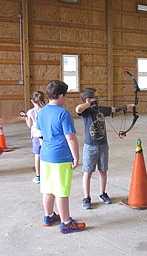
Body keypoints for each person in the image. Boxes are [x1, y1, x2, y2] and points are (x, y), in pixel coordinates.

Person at [37, 80, 85, 234]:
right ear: (61, 96)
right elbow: (70, 138)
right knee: (61, 191)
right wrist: (76, 156)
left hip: (45, 155)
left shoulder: (42, 111)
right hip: (60, 157)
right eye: (65, 96)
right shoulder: (63, 114)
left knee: (48, 189)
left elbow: (40, 133)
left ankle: (49, 216)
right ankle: (66, 222)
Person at [75, 88, 135, 210]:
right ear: (88, 99)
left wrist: (129, 106)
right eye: (95, 97)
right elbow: (78, 109)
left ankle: (103, 193)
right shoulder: (86, 111)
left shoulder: (100, 109)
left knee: (103, 170)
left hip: (103, 145)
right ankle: (86, 197)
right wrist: (90, 104)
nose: (98, 99)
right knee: (88, 172)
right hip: (90, 146)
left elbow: (114, 109)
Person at [22, 91, 45, 184]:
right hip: (46, 135)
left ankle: (38, 176)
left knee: (37, 155)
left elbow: (29, 125)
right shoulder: (46, 110)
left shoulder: (30, 112)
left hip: (36, 135)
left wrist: (25, 118)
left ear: (32, 101)